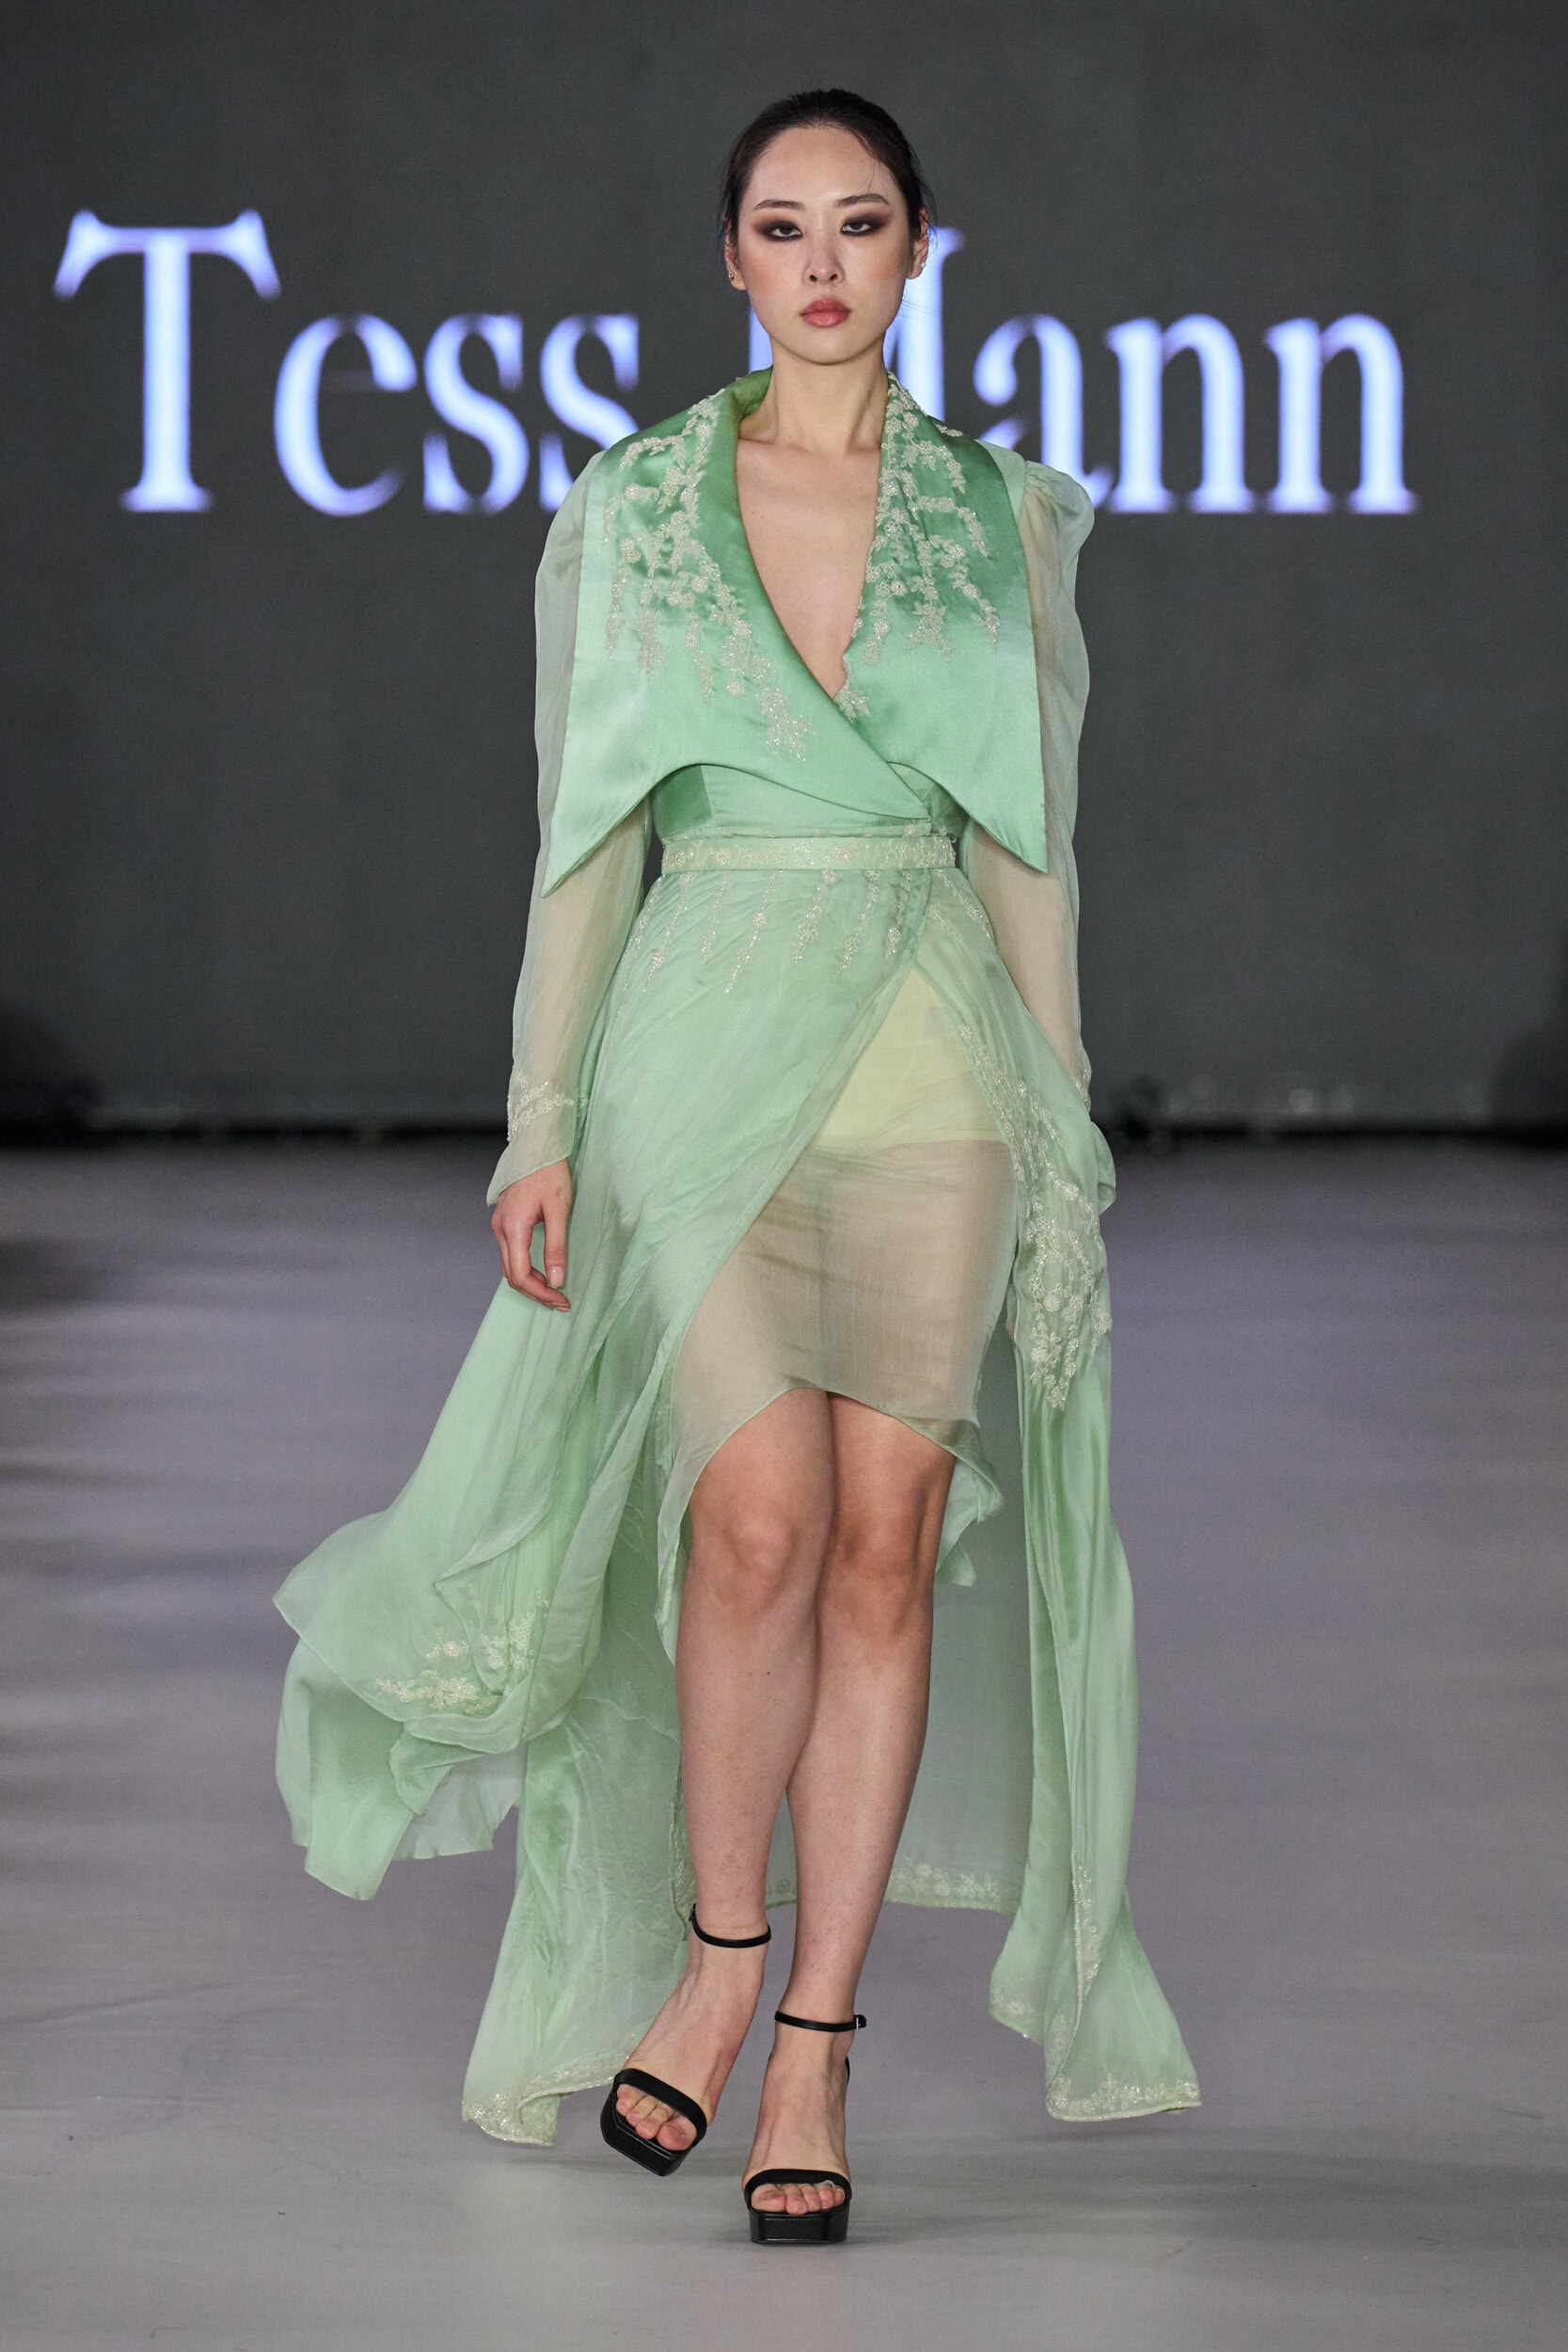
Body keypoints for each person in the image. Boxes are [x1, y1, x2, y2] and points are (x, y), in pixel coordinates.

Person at [274, 87, 1197, 2248]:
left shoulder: (995, 517)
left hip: (935, 1056)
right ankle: (714, 1953)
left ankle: (817, 2042)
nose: (821, 263)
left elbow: (1030, 843)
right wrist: (542, 1117)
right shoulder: (638, 504)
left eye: (861, 224)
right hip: (700, 1045)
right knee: (755, 1519)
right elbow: (584, 834)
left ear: (918, 250)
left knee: (886, 1540)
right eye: (783, 226)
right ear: (731, 257)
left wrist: (1063, 1112)